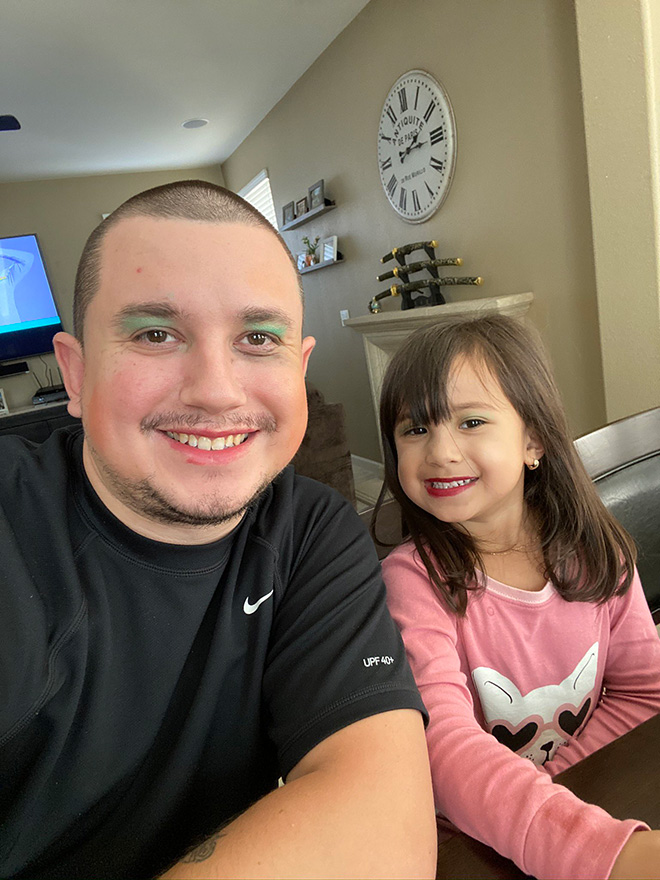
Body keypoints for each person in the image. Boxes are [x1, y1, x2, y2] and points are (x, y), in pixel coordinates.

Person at [0, 180, 436, 880]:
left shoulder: (312, 531)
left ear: (299, 368)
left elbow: (383, 831)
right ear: (75, 375)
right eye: (155, 334)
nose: (216, 390)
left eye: (257, 339)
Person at [377, 314, 660, 880]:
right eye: (415, 428)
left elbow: (643, 691)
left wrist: (556, 792)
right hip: (463, 846)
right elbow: (441, 747)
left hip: (570, 812)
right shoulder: (411, 582)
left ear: (533, 439)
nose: (440, 451)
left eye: (471, 421)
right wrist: (595, 847)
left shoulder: (597, 550)